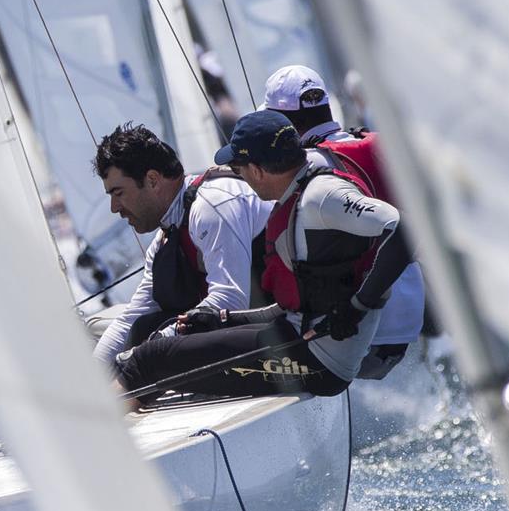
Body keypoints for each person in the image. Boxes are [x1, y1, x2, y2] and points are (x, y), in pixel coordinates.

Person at [115, 110, 416, 401]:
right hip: (297, 335)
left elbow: (404, 228)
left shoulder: (321, 196)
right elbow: (295, 305)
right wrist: (221, 319)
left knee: (150, 359)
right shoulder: (295, 195)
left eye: (239, 169)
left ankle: (99, 436)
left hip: (320, 363)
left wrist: (358, 306)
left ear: (257, 170)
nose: (238, 176)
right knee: (154, 334)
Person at [261, 64, 425, 378]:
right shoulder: (378, 142)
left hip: (364, 321)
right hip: (409, 309)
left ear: (282, 123)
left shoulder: (306, 166)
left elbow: (255, 185)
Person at [92, 123, 272, 365]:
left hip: (281, 338)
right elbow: (130, 319)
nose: (114, 208)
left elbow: (231, 300)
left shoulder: (212, 205)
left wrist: (157, 345)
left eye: (118, 193)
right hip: (238, 336)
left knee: (147, 345)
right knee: (140, 327)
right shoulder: (165, 238)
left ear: (153, 180)